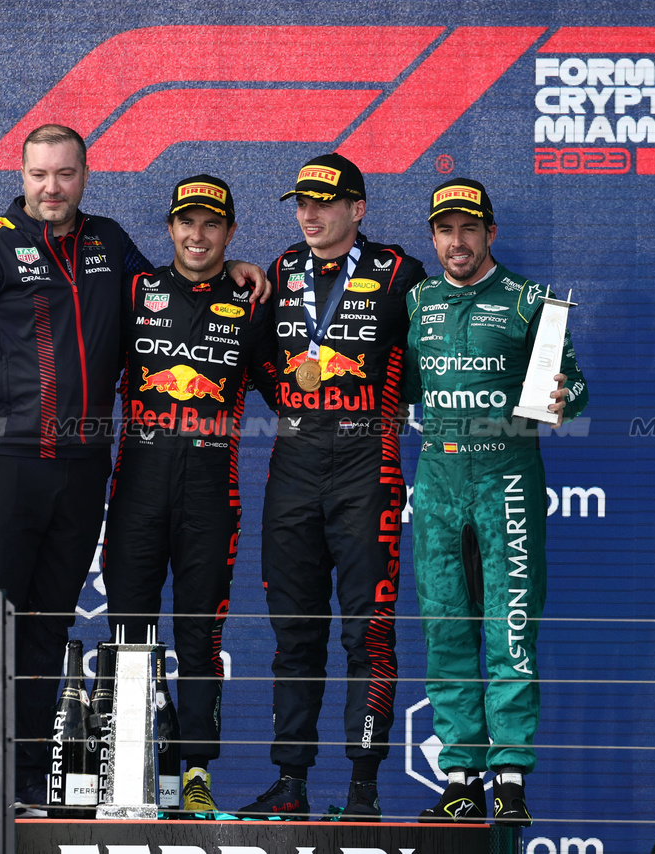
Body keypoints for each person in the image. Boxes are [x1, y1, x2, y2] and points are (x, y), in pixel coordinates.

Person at [0, 125, 266, 820]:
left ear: (85, 174)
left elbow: (178, 282)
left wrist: (236, 268)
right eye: (40, 174)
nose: (52, 187)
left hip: (83, 466)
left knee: (49, 622)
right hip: (4, 461)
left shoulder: (110, 243)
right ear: (21, 173)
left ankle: (24, 776)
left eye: (66, 174)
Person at [238, 153, 426, 821]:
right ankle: (290, 785)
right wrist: (286, 395)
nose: (309, 213)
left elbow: (433, 358)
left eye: (325, 202)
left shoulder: (399, 272)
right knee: (294, 633)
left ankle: (362, 794)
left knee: (367, 632)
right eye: (302, 202)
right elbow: (250, 347)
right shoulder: (282, 269)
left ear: (358, 208)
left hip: (365, 460)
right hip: (294, 458)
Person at [403, 178, 588, 825]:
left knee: (510, 628)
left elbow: (574, 387)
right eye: (445, 230)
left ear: (490, 234)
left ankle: (509, 778)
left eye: (469, 229)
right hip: (437, 478)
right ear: (433, 236)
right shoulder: (417, 300)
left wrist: (567, 397)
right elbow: (393, 384)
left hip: (507, 477)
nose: (457, 242)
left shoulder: (529, 301)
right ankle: (460, 778)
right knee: (447, 628)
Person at [103, 175, 277, 816]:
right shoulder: (134, 293)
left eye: (211, 224)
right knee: (128, 632)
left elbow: (290, 388)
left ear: (230, 232)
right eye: (186, 223)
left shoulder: (252, 304)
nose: (197, 235)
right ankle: (125, 769)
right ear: (170, 228)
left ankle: (197, 773)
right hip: (137, 491)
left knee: (201, 638)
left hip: (211, 495)